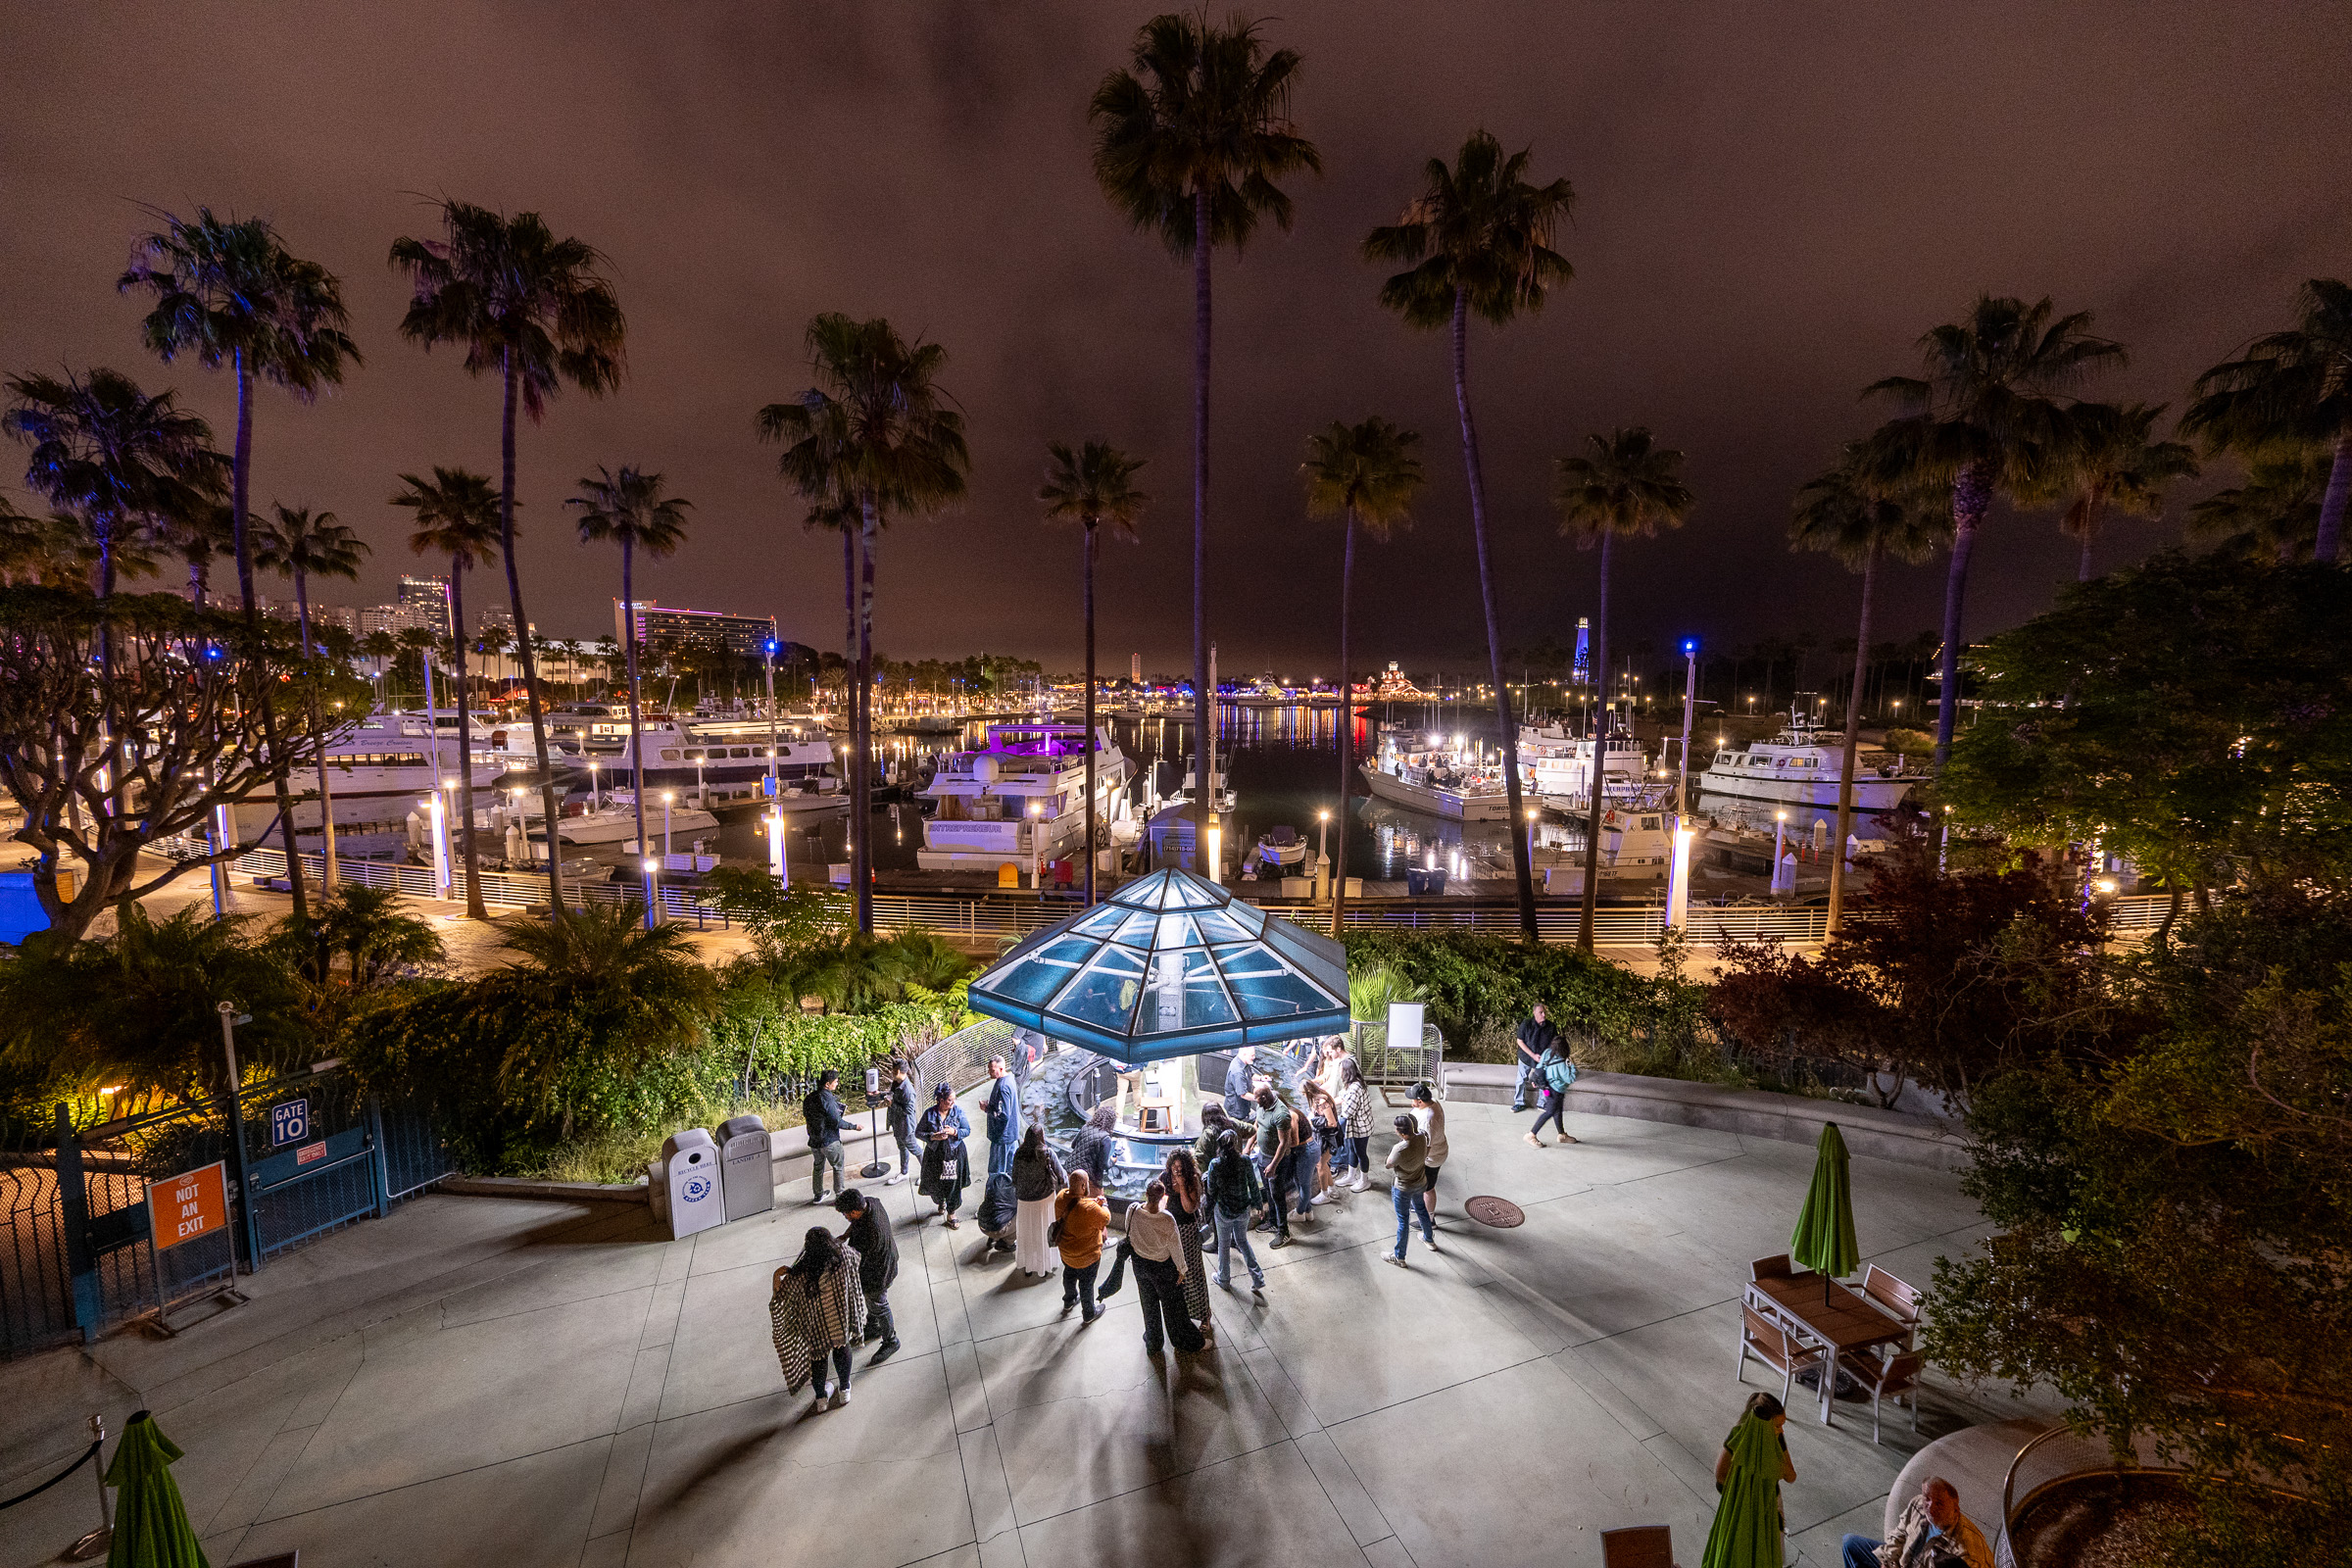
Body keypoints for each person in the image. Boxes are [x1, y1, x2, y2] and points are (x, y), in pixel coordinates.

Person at [770, 1226, 866, 1411]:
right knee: (842, 1349)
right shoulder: (844, 1256)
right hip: (840, 1320)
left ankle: (821, 1399)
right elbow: (857, 1258)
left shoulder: (801, 1274)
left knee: (819, 1360)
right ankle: (844, 1390)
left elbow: (780, 1299)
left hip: (816, 1327)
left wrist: (776, 1277)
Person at [1703, 1392, 1796, 1568]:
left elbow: (1791, 1476)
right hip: (1742, 1506)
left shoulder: (1777, 1439)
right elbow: (1720, 1475)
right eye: (1777, 1425)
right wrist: (1742, 1494)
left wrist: (1775, 1456)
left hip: (1769, 1504)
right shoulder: (1738, 1437)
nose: (1781, 1430)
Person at [1126, 1178, 1205, 1354]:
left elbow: (1129, 1232)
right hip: (1162, 1268)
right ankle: (1182, 1340)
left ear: (1146, 1194)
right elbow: (1176, 1247)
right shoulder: (1167, 1218)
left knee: (1148, 1304)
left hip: (1140, 1265)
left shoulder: (1132, 1209)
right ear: (1164, 1197)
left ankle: (1153, 1342)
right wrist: (1182, 1269)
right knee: (1173, 1307)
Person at [1840, 1478, 1992, 1568]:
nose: (1930, 1507)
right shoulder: (1918, 1504)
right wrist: (1887, 1562)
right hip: (1905, 1563)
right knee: (1850, 1543)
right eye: (1928, 1498)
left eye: (1939, 1503)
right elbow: (1899, 1535)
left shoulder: (1968, 1554)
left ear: (1955, 1510)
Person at [831, 1189, 901, 1364]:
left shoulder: (869, 1233)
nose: (846, 1217)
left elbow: (854, 1258)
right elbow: (855, 1224)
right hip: (886, 1259)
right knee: (873, 1303)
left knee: (879, 1305)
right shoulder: (871, 1202)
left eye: (846, 1214)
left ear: (855, 1212)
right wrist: (845, 1235)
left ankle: (891, 1341)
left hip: (878, 1273)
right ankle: (874, 1326)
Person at [1204, 1129, 1266, 1292]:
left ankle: (1224, 1278)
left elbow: (1211, 1189)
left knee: (1223, 1245)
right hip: (1243, 1209)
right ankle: (1258, 1278)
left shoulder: (1215, 1164)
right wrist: (1259, 1205)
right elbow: (1253, 1184)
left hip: (1223, 1211)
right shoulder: (1245, 1160)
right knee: (1242, 1241)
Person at [1054, 1168, 1111, 1322]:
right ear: (1084, 1186)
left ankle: (1069, 1300)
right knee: (1086, 1284)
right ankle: (1089, 1313)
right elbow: (1106, 1218)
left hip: (1066, 1252)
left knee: (1069, 1274)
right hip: (1087, 1257)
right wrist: (1104, 1204)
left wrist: (1093, 1202)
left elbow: (1077, 1203)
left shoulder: (1061, 1197)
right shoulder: (1090, 1209)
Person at [1010, 1124, 1064, 1279]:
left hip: (1024, 1202)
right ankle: (1044, 1267)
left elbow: (1014, 1177)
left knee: (1027, 1233)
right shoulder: (1048, 1153)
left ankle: (1028, 1266)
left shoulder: (1019, 1153)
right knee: (1044, 1232)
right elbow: (1061, 1177)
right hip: (1044, 1202)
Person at [800, 1069, 861, 1203]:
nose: (837, 1084)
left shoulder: (809, 1098)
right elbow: (837, 1121)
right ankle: (840, 1196)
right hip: (830, 1141)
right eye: (836, 1082)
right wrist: (854, 1126)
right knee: (838, 1166)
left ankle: (818, 1195)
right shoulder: (828, 1099)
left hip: (814, 1141)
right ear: (827, 1084)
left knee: (818, 1167)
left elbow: (808, 1115)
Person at [915, 1081, 971, 1227]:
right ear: (941, 1100)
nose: (953, 1103)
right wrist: (933, 1137)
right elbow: (918, 1132)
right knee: (936, 1182)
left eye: (954, 1099)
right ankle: (941, 1201)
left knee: (953, 1184)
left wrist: (954, 1132)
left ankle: (951, 1213)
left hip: (954, 1154)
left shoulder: (958, 1112)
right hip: (935, 1155)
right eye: (950, 1100)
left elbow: (967, 1130)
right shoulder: (929, 1114)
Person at [1383, 1112, 1435, 1265]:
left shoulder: (1400, 1148)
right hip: (1420, 1182)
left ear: (1402, 1133)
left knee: (1403, 1220)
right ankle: (1429, 1239)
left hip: (1403, 1187)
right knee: (1421, 1209)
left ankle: (1399, 1256)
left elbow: (1388, 1164)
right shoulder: (1422, 1137)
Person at [1250, 1087, 1296, 1247]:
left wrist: (1273, 1166)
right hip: (1263, 1156)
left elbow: (1284, 1143)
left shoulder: (1281, 1114)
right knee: (1269, 1192)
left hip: (1275, 1160)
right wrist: (1250, 1143)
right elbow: (1257, 1125)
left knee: (1277, 1195)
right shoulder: (1261, 1106)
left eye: (1256, 1097)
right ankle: (1273, 1222)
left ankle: (1284, 1232)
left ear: (1264, 1097)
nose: (1254, 1100)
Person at [1526, 1035, 1580, 1148]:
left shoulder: (1547, 1052)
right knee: (1550, 1112)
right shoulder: (1562, 1062)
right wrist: (1572, 1066)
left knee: (1557, 1111)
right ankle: (1531, 1134)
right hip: (1556, 1090)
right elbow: (1570, 1078)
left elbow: (1540, 1066)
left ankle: (1562, 1135)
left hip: (1547, 1088)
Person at [1408, 1081, 1447, 1220]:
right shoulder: (1433, 1101)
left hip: (1431, 1158)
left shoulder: (1427, 1121)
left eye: (1412, 1099)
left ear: (1420, 1101)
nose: (1410, 1102)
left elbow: (1425, 1147)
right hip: (1437, 1150)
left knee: (1428, 1189)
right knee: (1420, 1186)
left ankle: (1429, 1219)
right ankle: (1419, 1205)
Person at [981, 1053, 1022, 1180]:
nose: (989, 1073)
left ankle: (996, 1190)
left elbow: (1004, 1114)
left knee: (997, 1171)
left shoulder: (1003, 1086)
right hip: (1011, 1134)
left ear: (1001, 1069)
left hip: (1002, 1137)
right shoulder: (1009, 1080)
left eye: (992, 1070)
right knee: (1011, 1168)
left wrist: (987, 1109)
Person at [1336, 1056, 1374, 1192]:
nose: (1339, 1072)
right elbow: (1342, 1095)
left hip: (1361, 1127)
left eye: (1340, 1070)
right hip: (1356, 1126)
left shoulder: (1354, 1088)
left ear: (1346, 1072)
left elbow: (1347, 1112)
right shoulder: (1355, 1083)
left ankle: (1364, 1180)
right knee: (1352, 1149)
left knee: (1361, 1153)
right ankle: (1351, 1176)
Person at [1303, 1081, 1345, 1204]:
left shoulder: (1323, 1103)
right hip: (1322, 1137)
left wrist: (1315, 1122)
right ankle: (1332, 1189)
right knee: (1324, 1164)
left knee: (1320, 1165)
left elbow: (1332, 1123)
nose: (1303, 1096)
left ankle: (1324, 1194)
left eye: (1303, 1093)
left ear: (1308, 1092)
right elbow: (1313, 1114)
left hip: (1329, 1139)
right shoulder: (1316, 1100)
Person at [1514, 1003, 1559, 1112]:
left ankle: (1542, 1103)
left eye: (1544, 1012)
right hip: (1526, 1057)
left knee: (1544, 1081)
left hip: (1543, 1059)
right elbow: (1520, 1041)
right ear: (1534, 1013)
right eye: (1540, 1012)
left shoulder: (1551, 1027)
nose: (1543, 1015)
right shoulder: (1526, 1024)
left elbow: (1555, 1043)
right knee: (1521, 1079)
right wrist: (1532, 1055)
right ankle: (1519, 1102)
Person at [883, 1058, 918, 1185]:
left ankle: (927, 1174)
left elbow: (909, 1110)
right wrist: (882, 1095)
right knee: (902, 1148)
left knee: (915, 1150)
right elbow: (891, 1094)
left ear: (897, 1071)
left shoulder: (908, 1090)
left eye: (893, 1070)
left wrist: (892, 1104)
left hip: (906, 1127)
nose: (891, 1072)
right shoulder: (897, 1082)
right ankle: (904, 1172)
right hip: (897, 1124)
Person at [1069, 1101, 1117, 1191]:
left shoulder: (1085, 1127)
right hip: (1087, 1177)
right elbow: (1103, 1165)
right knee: (1098, 1197)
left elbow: (1073, 1145)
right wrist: (1112, 1161)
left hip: (1070, 1170)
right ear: (1111, 1122)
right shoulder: (1106, 1138)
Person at [1221, 1045, 1257, 1120]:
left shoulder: (1244, 1062)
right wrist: (1259, 1098)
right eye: (1252, 1055)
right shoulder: (1238, 1072)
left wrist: (1261, 1078)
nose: (1254, 1057)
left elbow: (1251, 1074)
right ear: (1244, 1054)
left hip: (1243, 1106)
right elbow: (1243, 1094)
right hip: (1236, 1111)